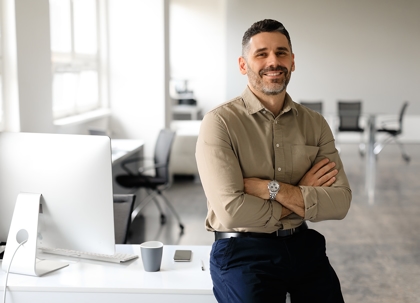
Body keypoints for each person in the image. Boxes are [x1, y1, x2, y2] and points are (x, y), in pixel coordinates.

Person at [195, 19, 352, 303]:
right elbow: (232, 212)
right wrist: (301, 194)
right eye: (261, 54)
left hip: (302, 244)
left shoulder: (314, 124)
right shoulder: (219, 123)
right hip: (241, 252)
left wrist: (272, 189)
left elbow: (340, 202)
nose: (273, 62)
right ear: (244, 65)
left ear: (292, 62)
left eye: (281, 53)